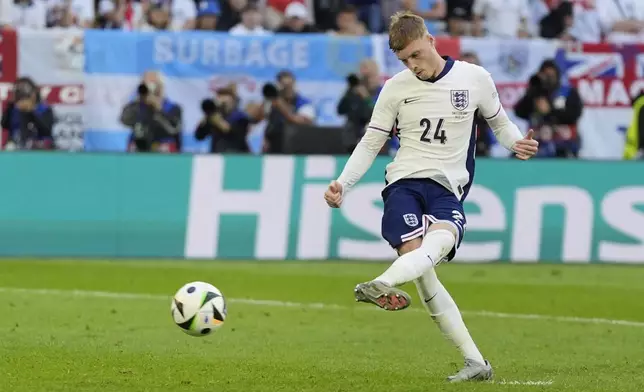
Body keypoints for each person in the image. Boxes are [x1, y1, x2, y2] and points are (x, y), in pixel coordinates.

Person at [323, 11, 538, 383]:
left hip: (447, 186)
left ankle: (470, 358)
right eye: (405, 60)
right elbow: (372, 141)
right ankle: (468, 357)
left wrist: (515, 142)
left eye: (416, 55)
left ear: (431, 41)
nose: (413, 65)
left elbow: (499, 123)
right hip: (403, 183)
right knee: (423, 266)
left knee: (435, 251)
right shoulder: (395, 88)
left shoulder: (474, 78)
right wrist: (344, 182)